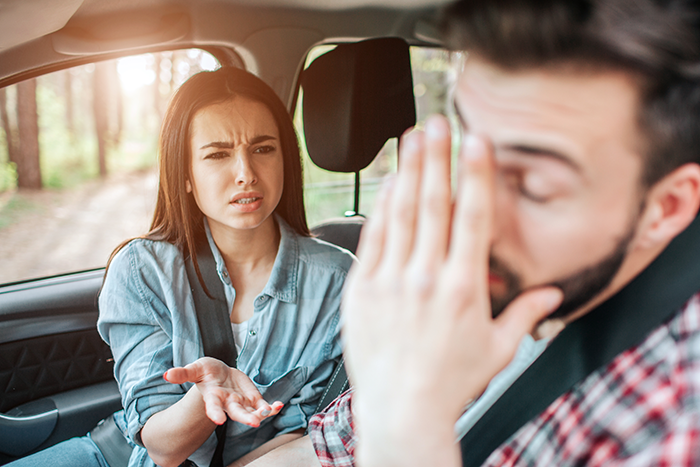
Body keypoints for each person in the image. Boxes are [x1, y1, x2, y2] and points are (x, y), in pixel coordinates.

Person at [243, 0, 700, 465]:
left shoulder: (676, 423)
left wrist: (405, 434)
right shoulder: (489, 303)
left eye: (535, 186)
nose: (467, 217)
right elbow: (320, 453)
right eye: (471, 151)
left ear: (665, 207)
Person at [8, 67, 354, 467]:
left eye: (263, 149)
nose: (246, 174)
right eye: (218, 154)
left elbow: (314, 431)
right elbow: (161, 447)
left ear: (285, 160)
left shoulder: (339, 280)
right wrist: (205, 397)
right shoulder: (142, 271)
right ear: (185, 174)